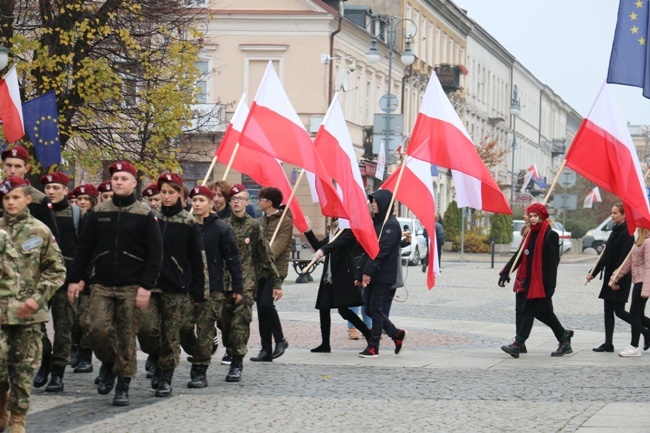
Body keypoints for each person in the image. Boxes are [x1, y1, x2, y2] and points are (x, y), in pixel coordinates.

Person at [67, 161, 163, 406]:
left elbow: (155, 254)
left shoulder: (144, 215)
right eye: (115, 178)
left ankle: (123, 382)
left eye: (123, 178)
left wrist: (146, 286)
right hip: (102, 284)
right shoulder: (99, 212)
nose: (118, 182)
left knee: (126, 335)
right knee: (95, 328)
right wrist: (75, 279)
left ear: (133, 183)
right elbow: (85, 249)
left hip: (132, 286)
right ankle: (109, 362)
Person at [0, 176, 66, 433]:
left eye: (15, 197)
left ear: (28, 199)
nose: (10, 202)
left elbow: (56, 270)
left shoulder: (40, 231)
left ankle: (18, 418)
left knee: (24, 370)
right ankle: (2, 398)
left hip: (29, 315)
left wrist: (37, 298)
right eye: (6, 198)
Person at [137, 173, 206, 398]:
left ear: (179, 195)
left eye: (171, 193)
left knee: (171, 333)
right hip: (151, 284)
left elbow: (196, 258)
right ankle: (156, 358)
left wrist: (197, 290)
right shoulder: (151, 218)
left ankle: (166, 376)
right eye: (163, 192)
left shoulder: (188, 222)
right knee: (147, 329)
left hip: (176, 287)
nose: (166, 197)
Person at [181, 185, 243, 388]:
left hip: (213, 287)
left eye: (201, 200)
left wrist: (237, 287)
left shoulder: (220, 228)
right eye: (194, 200)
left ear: (210, 203)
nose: (197, 204)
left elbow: (233, 259)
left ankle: (199, 370)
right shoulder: (187, 225)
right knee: (184, 327)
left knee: (205, 329)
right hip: (188, 286)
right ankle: (199, 350)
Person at [222, 184, 281, 381]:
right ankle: (229, 347)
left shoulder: (254, 226)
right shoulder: (223, 226)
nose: (237, 202)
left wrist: (276, 282)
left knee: (241, 323)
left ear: (247, 202)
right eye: (233, 199)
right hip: (224, 283)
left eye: (240, 198)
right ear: (229, 202)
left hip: (246, 282)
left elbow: (265, 255)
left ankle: (237, 362)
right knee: (226, 324)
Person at [499, 203, 573, 358]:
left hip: (541, 283)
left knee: (529, 310)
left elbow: (553, 264)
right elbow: (519, 256)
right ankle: (563, 338)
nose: (532, 219)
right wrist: (505, 272)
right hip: (528, 280)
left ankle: (518, 343)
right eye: (530, 216)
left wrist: (551, 285)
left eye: (535, 216)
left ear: (542, 217)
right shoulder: (530, 234)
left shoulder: (550, 235)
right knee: (544, 313)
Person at [34, 172, 86, 393]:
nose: (51, 192)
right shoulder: (37, 213)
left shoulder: (77, 215)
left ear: (66, 190)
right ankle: (45, 358)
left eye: (56, 187)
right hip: (38, 280)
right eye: (48, 188)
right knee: (34, 326)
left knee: (64, 328)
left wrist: (79, 278)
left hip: (66, 280)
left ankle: (57, 372)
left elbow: (85, 249)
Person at [305, 218, 370, 352]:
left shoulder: (349, 228)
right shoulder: (334, 229)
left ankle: (370, 336)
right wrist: (308, 231)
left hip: (342, 277)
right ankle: (325, 344)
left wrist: (324, 250)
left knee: (344, 311)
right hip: (329, 278)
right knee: (323, 307)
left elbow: (336, 244)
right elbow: (319, 246)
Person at [355, 189, 407, 358]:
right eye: (372, 201)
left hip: (383, 275)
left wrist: (368, 272)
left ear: (384, 203)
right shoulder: (377, 223)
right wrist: (359, 274)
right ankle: (395, 333)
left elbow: (381, 251)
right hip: (373, 273)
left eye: (376, 202)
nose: (373, 204)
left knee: (375, 308)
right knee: (369, 309)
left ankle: (373, 346)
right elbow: (367, 250)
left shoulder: (391, 225)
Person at [586, 204, 641, 353]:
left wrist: (616, 280)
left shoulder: (627, 234)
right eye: (612, 213)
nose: (612, 215)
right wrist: (593, 273)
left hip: (619, 278)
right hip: (610, 276)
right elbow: (604, 256)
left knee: (619, 311)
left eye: (615, 213)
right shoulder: (614, 231)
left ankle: (645, 330)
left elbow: (624, 260)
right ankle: (608, 343)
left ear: (624, 216)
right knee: (608, 310)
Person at [250, 187, 290, 362]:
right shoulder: (261, 221)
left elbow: (277, 247)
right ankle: (265, 348)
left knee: (266, 304)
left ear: (269, 202)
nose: (258, 202)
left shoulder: (285, 222)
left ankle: (280, 339)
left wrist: (263, 255)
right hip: (260, 271)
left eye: (261, 199)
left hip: (275, 271)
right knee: (261, 309)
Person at [69, 184, 99, 374]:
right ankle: (76, 350)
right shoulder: (75, 218)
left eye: (86, 199)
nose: (82, 203)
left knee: (86, 319)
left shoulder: (94, 219)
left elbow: (91, 251)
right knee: (74, 318)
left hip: (89, 276)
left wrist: (85, 277)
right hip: (74, 273)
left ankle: (86, 355)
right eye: (79, 199)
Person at [0, 145, 59, 240]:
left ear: (26, 168)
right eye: (9, 165)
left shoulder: (39, 199)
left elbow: (51, 237)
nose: (12, 171)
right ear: (3, 166)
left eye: (18, 166)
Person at [609, 227, 650, 357]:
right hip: (638, 280)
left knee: (634, 314)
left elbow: (649, 267)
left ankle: (634, 346)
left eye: (639, 225)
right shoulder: (639, 241)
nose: (637, 227)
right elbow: (628, 262)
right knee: (639, 315)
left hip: (643, 282)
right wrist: (616, 276)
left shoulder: (648, 242)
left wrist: (646, 289)